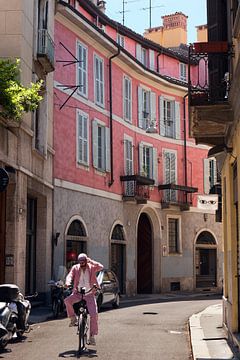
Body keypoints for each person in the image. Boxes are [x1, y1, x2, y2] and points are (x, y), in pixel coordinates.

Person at [64, 253, 103, 345]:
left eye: (83, 262)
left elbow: (101, 266)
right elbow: (70, 276)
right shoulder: (75, 268)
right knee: (67, 301)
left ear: (86, 261)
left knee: (94, 314)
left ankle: (92, 336)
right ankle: (73, 318)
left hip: (89, 293)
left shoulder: (92, 267)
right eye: (80, 262)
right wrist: (67, 283)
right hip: (77, 293)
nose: (82, 264)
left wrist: (91, 261)